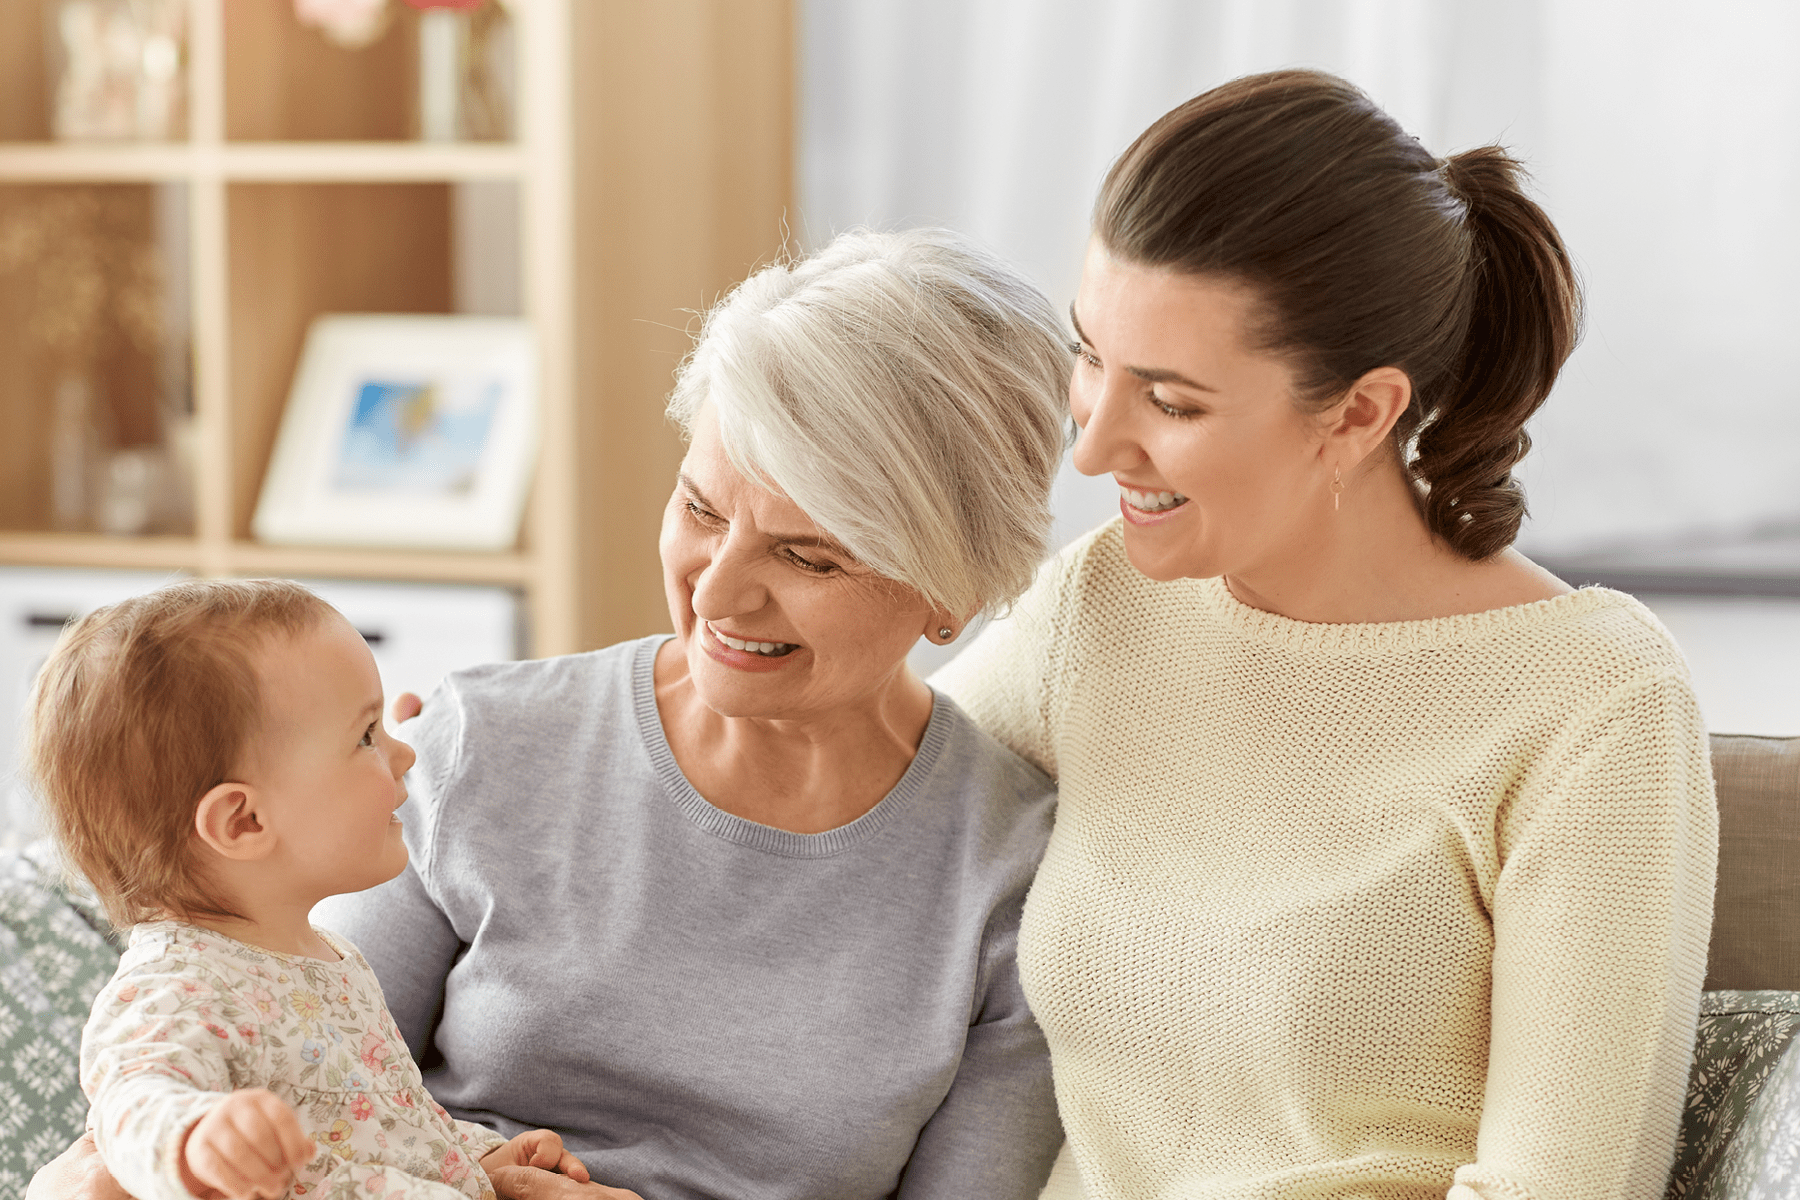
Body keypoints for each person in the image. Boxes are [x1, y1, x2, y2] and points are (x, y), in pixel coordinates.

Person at [30, 227, 1072, 1200]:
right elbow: (273, 1064)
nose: (716, 596)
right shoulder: (476, 746)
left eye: (806, 556)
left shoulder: (1010, 873)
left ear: (952, 589)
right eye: (702, 509)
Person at [934, 69, 1718, 1199]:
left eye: (1171, 401)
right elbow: (836, 821)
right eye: (1090, 356)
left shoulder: (1592, 706)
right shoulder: (1097, 608)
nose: (1094, 445)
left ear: (1360, 413)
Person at [26, 579, 596, 1200]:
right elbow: (133, 1104)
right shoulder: (177, 983)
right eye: (366, 736)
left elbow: (372, 1126)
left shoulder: (328, 956)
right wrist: (195, 1141)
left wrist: (474, 1159)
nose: (404, 753)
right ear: (244, 822)